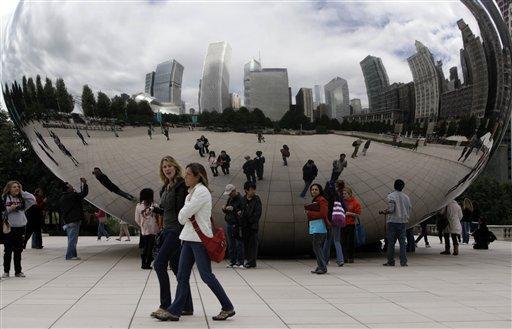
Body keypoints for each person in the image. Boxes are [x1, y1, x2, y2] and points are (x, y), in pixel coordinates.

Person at [155, 163, 235, 322]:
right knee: (182, 276)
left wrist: (184, 213)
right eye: (185, 174)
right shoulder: (191, 193)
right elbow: (182, 216)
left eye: (188, 175)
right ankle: (175, 311)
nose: (185, 177)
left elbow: (183, 215)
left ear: (198, 176)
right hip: (188, 238)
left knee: (206, 276)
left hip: (199, 240)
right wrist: (184, 213)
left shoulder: (201, 192)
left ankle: (227, 306)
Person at [151, 156, 193, 319]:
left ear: (176, 167)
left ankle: (165, 305)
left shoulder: (181, 186)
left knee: (159, 264)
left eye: (170, 166)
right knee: (177, 270)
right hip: (167, 229)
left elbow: (184, 209)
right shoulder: (165, 187)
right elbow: (167, 209)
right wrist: (156, 210)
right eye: (164, 167)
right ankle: (187, 306)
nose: (167, 169)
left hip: (176, 231)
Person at [2, 181, 36, 278]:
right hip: (9, 228)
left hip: (20, 227)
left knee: (18, 250)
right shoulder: (4, 198)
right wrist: (10, 209)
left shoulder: (22, 198)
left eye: (18, 187)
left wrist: (22, 192)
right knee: (8, 250)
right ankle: (6, 271)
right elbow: (2, 211)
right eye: (14, 187)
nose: (16, 188)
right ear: (9, 188)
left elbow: (33, 199)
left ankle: (18, 271)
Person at [380, 179, 412, 266]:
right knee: (402, 243)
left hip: (393, 221)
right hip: (403, 222)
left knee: (391, 243)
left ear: (394, 186)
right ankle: (403, 262)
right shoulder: (406, 197)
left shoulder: (391, 196)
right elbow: (409, 208)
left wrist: (384, 212)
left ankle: (391, 261)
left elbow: (391, 209)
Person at [58, 178, 88, 260]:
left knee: (71, 239)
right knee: (73, 239)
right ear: (68, 189)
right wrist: (84, 184)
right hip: (74, 220)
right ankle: (70, 256)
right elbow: (84, 193)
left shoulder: (62, 198)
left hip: (68, 221)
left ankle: (73, 255)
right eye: (70, 186)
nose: (72, 187)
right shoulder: (73, 196)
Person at [305, 183, 330, 274]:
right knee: (316, 247)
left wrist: (309, 213)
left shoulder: (322, 200)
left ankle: (322, 267)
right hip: (315, 226)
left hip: (320, 227)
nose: (314, 191)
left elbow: (323, 214)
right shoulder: (316, 200)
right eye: (312, 190)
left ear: (320, 191)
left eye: (316, 189)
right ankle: (320, 266)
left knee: (317, 247)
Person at [238, 181, 262, 269]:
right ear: (246, 190)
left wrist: (249, 220)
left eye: (254, 189)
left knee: (253, 244)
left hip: (252, 226)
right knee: (246, 244)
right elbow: (240, 211)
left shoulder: (257, 199)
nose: (253, 191)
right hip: (244, 226)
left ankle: (252, 262)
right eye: (251, 189)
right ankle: (248, 260)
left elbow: (258, 213)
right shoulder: (243, 200)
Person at [323, 180, 346, 267]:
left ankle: (324, 260)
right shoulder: (337, 196)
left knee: (327, 240)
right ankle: (340, 260)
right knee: (337, 240)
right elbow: (344, 207)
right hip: (337, 219)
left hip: (328, 220)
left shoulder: (324, 197)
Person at [135, 188, 159, 269]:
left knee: (145, 246)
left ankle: (144, 263)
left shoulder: (138, 206)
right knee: (151, 246)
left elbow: (136, 219)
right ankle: (148, 263)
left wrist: (141, 225)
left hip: (144, 230)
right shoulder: (155, 206)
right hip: (154, 229)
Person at [222, 184, 244, 268]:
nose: (229, 195)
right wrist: (224, 208)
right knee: (231, 243)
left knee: (239, 243)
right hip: (229, 222)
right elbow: (227, 211)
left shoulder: (241, 199)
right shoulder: (230, 199)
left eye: (230, 193)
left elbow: (242, 211)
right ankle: (232, 261)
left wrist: (234, 209)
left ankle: (240, 261)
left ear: (234, 191)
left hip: (237, 224)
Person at [341, 186, 361, 263]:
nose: (344, 195)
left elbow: (358, 214)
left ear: (349, 194)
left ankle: (351, 257)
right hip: (342, 224)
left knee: (350, 242)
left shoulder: (355, 202)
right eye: (343, 194)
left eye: (345, 194)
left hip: (350, 224)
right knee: (343, 242)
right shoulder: (342, 202)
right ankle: (344, 257)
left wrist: (350, 213)